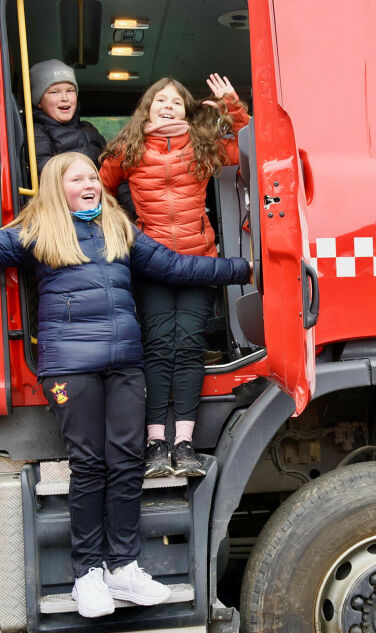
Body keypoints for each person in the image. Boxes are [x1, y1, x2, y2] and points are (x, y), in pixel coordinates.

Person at [0, 152, 250, 618]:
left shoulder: (117, 228)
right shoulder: (39, 230)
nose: (90, 184)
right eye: (77, 178)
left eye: (92, 178)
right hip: (70, 368)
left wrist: (244, 269)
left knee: (125, 463)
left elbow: (177, 267)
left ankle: (123, 568)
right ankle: (88, 576)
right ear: (56, 187)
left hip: (124, 365)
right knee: (90, 464)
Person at [99, 74, 249, 478]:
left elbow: (250, 150)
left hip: (199, 261)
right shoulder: (127, 149)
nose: (168, 106)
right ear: (147, 107)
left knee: (188, 347)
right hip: (153, 263)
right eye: (160, 99)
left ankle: (184, 443)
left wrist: (232, 106)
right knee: (160, 348)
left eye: (176, 102)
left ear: (187, 110)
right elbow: (98, 190)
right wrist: (127, 228)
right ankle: (155, 444)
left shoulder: (203, 146)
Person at [29, 59, 106, 172]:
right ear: (39, 102)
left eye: (70, 91)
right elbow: (47, 175)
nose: (65, 98)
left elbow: (110, 167)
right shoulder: (36, 133)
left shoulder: (89, 128)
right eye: (55, 92)